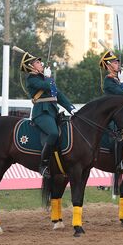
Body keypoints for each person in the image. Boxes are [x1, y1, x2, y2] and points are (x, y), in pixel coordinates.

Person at [21, 51, 76, 179]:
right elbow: (46, 86)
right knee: (53, 133)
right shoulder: (31, 79)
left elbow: (58, 94)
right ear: (31, 66)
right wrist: (48, 78)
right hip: (41, 112)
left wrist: (71, 108)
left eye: (40, 62)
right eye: (38, 62)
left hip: (53, 111)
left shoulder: (44, 77)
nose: (41, 64)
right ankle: (43, 164)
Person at [99, 49, 123, 175]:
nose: (118, 64)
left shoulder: (118, 79)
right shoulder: (108, 81)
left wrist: (122, 82)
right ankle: (118, 164)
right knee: (117, 137)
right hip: (111, 115)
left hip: (121, 113)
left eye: (117, 62)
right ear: (108, 65)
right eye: (115, 63)